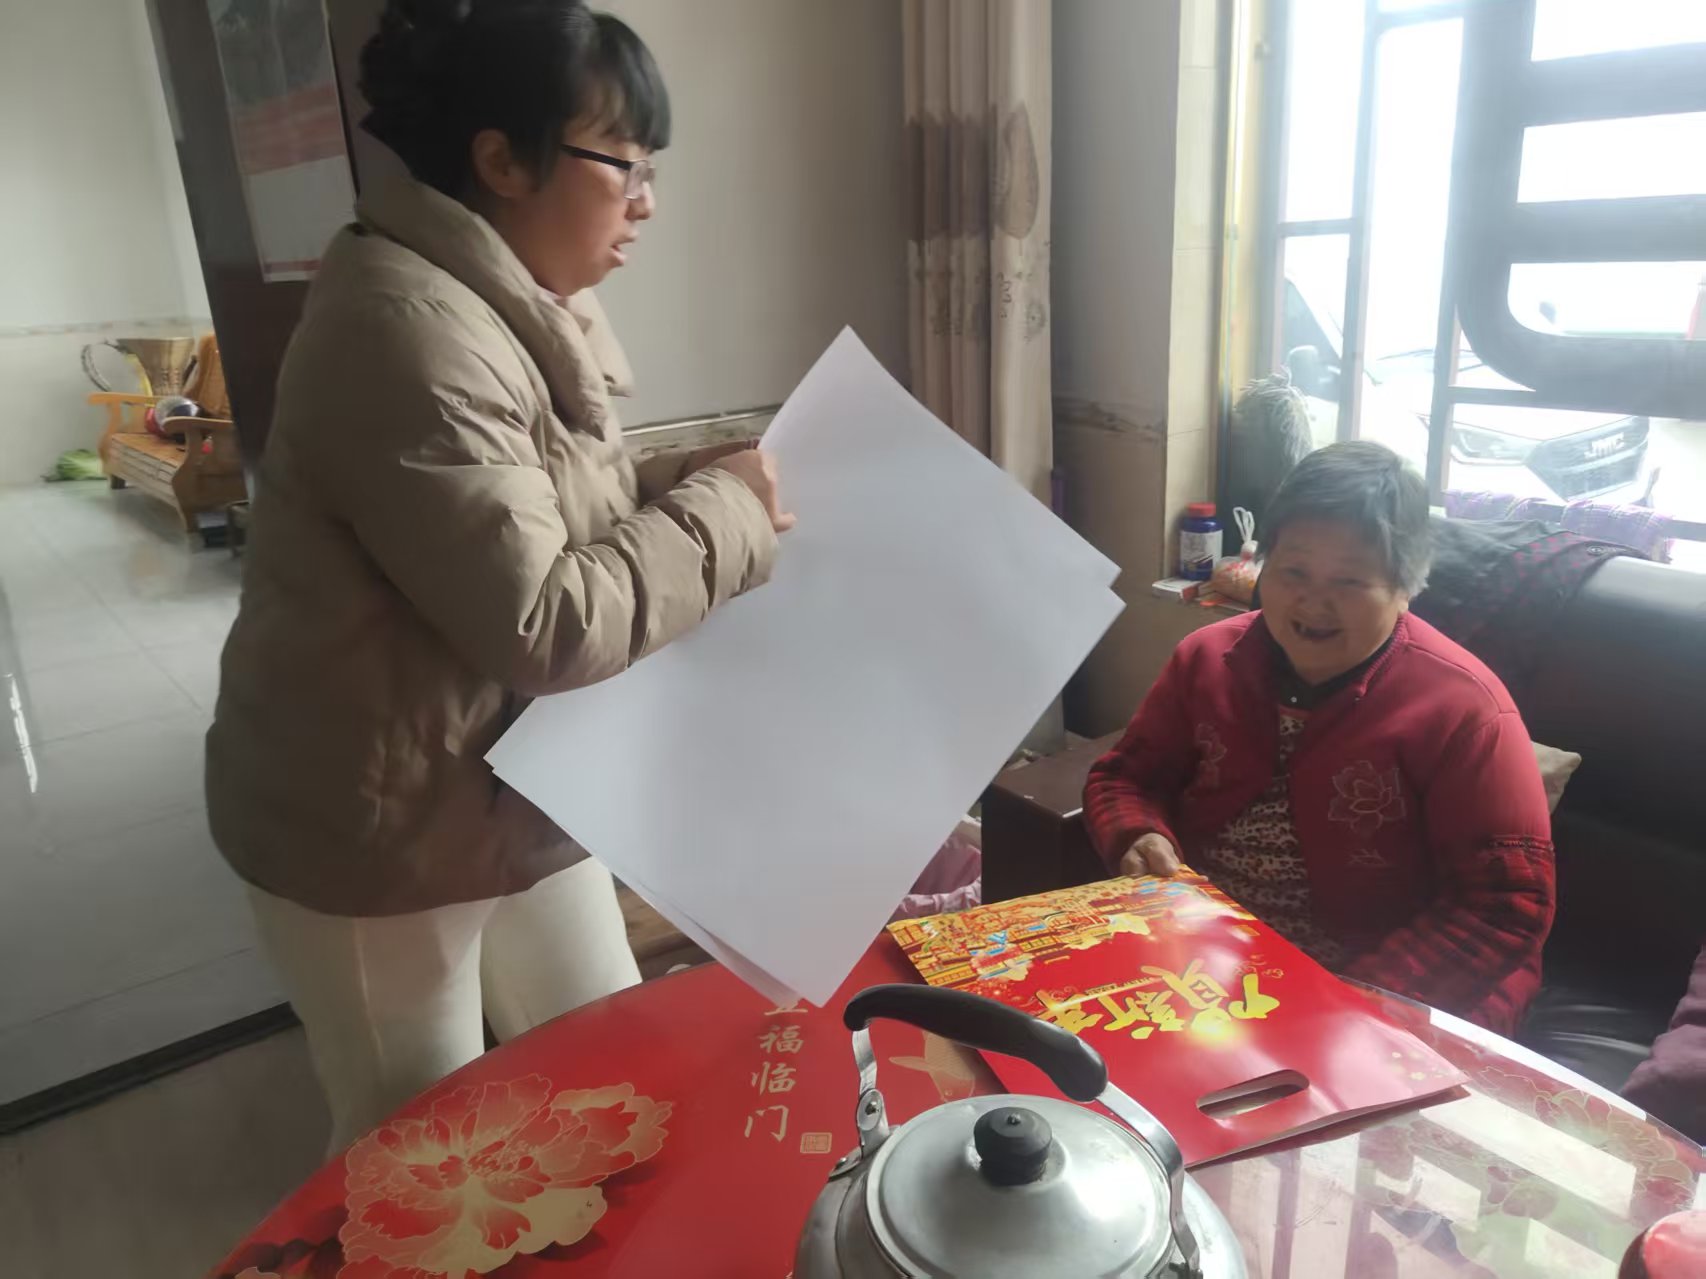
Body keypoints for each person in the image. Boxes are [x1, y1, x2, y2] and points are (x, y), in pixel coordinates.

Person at [206, 0, 791, 1151]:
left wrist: (691, 480)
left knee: (615, 1081)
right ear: (503, 161)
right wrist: (725, 513)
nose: (646, 200)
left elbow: (546, 505)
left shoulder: (511, 300)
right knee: (423, 1151)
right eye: (622, 162)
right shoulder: (405, 325)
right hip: (373, 832)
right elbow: (544, 618)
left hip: (513, 785)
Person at [1084, 442, 1555, 1033]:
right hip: (1207, 955)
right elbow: (1126, 778)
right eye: (1293, 572)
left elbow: (1504, 908)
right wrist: (1138, 834)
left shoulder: (1466, 711)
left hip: (1388, 984)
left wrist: (1341, 1000)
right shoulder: (1207, 659)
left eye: (1350, 582)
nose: (1312, 602)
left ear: (1406, 588)